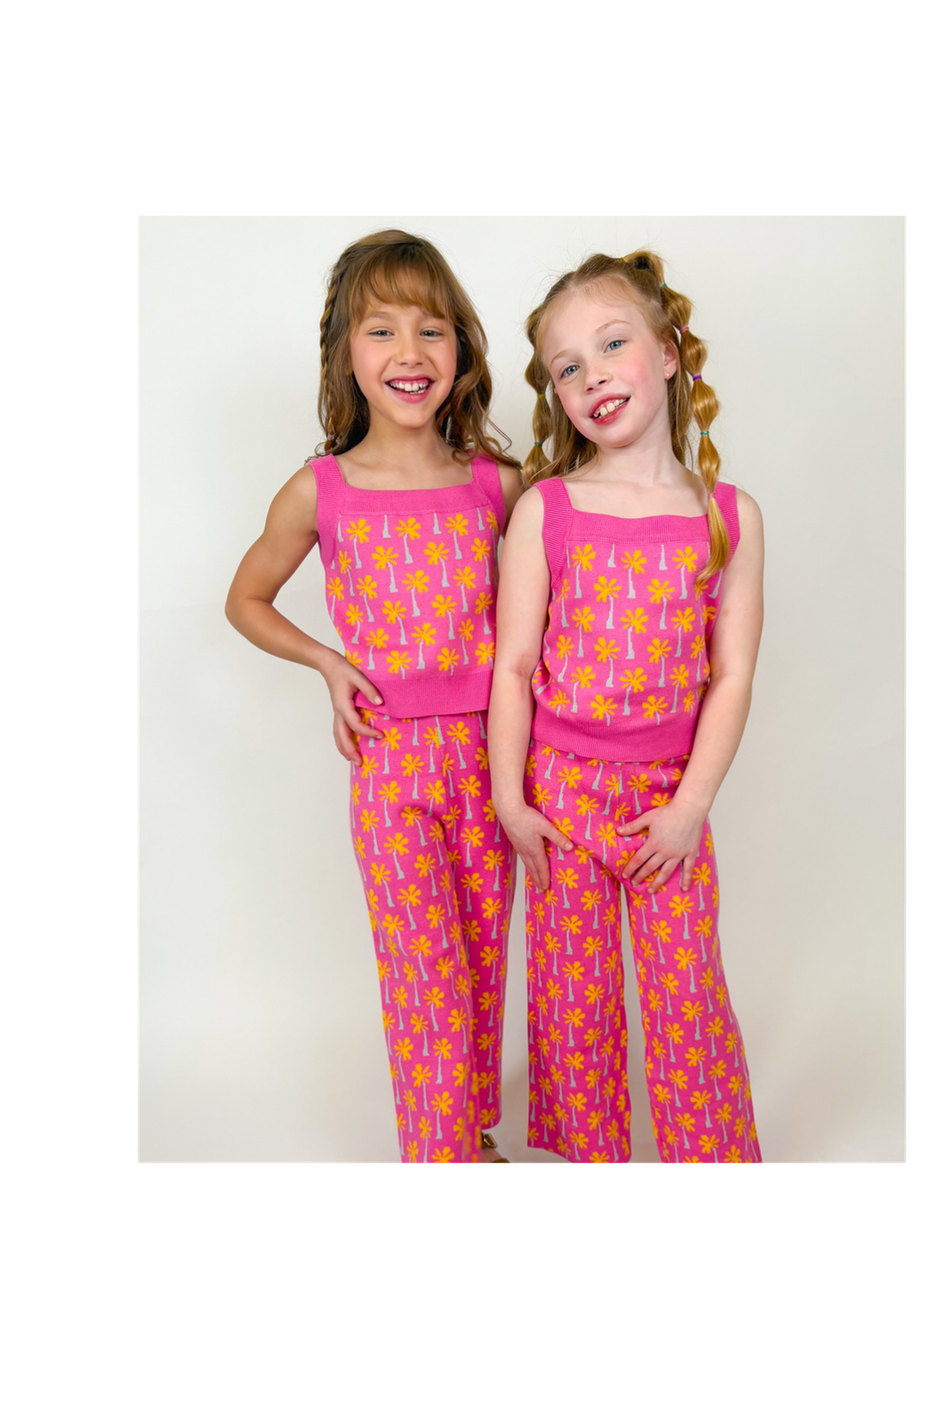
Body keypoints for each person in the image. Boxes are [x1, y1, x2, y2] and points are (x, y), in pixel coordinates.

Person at [226, 230, 523, 1166]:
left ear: (461, 349)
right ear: (345, 354)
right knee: (422, 969)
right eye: (381, 329)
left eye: (431, 329)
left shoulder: (500, 487)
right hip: (391, 766)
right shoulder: (319, 491)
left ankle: (470, 1130)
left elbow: (554, 614)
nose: (409, 352)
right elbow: (245, 599)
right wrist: (327, 662)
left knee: (481, 958)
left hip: (495, 761)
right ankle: (441, 1152)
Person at [489, 250, 763, 1166]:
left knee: (690, 1001)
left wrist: (691, 808)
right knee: (573, 1004)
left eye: (613, 345)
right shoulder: (546, 510)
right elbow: (514, 667)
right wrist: (509, 800)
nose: (594, 375)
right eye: (568, 366)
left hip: (668, 803)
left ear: (670, 352)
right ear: (556, 394)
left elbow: (731, 676)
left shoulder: (729, 515)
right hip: (560, 799)